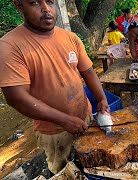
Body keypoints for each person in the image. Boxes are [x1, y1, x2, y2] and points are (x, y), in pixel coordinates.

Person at [0, 0, 110, 175]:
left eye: (50, 2)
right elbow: (16, 97)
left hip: (86, 117)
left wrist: (101, 98)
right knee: (63, 172)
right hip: (54, 133)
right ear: (19, 6)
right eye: (34, 3)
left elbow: (88, 71)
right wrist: (64, 120)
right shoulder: (9, 46)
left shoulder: (70, 37)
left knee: (95, 166)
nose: (46, 9)